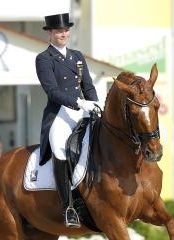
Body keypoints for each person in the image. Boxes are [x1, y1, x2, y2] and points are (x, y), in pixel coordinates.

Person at [35, 12, 101, 228]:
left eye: (65, 30)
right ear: (50, 33)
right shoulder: (44, 59)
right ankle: (68, 207)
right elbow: (52, 91)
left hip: (82, 110)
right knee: (60, 149)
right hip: (59, 114)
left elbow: (88, 86)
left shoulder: (77, 56)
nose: (63, 34)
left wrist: (95, 103)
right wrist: (79, 102)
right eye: (58, 31)